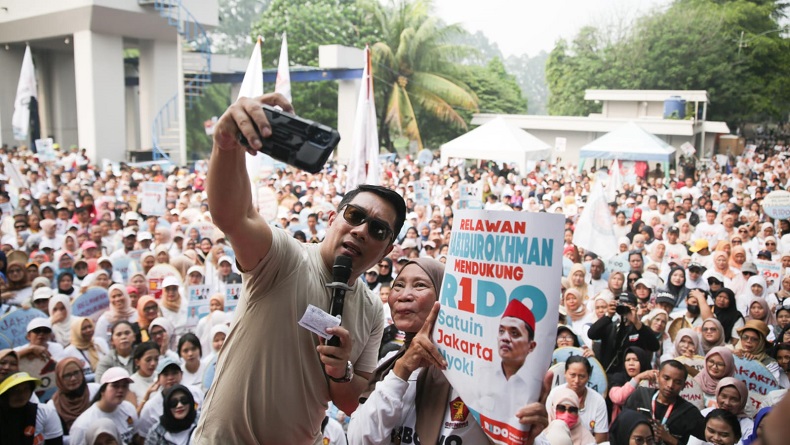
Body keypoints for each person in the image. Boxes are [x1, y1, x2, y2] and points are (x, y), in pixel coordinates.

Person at [193, 93, 408, 445]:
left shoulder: (371, 310)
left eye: (378, 230)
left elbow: (351, 400)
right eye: (354, 216)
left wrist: (341, 371)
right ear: (331, 218)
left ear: (387, 250)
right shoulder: (283, 258)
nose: (361, 231)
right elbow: (234, 216)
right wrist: (227, 146)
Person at [348, 258, 549, 444]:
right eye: (398, 285)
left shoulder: (477, 371)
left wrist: (525, 437)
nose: (404, 295)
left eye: (419, 285)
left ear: (447, 299)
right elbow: (359, 439)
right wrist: (402, 370)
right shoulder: (391, 363)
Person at [624, 360, 705, 445]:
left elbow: (711, 438)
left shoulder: (689, 412)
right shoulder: (640, 396)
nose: (670, 385)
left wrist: (669, 439)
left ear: (683, 386)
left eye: (677, 382)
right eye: (666, 378)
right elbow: (622, 427)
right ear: (658, 377)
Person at [587, 292, 660, 376]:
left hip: (632, 377)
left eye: (628, 305)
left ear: (635, 308)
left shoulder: (640, 329)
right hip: (610, 375)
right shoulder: (610, 326)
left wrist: (636, 322)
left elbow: (654, 346)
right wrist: (608, 316)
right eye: (621, 304)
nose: (624, 307)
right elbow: (591, 334)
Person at [69, 367, 141, 445]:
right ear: (102, 390)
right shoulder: (83, 424)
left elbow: (136, 437)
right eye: (115, 386)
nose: (120, 390)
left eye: (124, 386)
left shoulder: (129, 409)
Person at [545, 356, 609, 442]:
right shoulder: (555, 394)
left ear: (588, 377)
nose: (576, 380)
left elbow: (601, 438)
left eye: (582, 376)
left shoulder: (598, 401)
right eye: (572, 375)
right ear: (565, 373)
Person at [0, 371, 63, 444]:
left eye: (26, 389)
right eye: (15, 390)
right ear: (4, 394)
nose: (22, 394)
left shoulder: (45, 412)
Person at [47, 357, 101, 439]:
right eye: (67, 375)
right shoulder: (53, 406)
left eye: (76, 373)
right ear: (59, 378)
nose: (73, 378)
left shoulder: (96, 390)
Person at [607, 346, 655, 422]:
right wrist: (637, 379)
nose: (631, 363)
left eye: (635, 360)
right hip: (623, 422)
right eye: (628, 360)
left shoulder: (652, 379)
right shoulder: (618, 378)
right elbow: (617, 398)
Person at [63, 317, 110, 383]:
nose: (88, 330)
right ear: (76, 331)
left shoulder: (100, 342)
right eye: (84, 329)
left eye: (90, 326)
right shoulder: (69, 352)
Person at [130, 342, 160, 407]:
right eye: (148, 360)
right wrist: (147, 395)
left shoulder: (161, 378)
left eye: (156, 359)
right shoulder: (131, 383)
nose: (153, 363)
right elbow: (134, 415)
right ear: (137, 362)